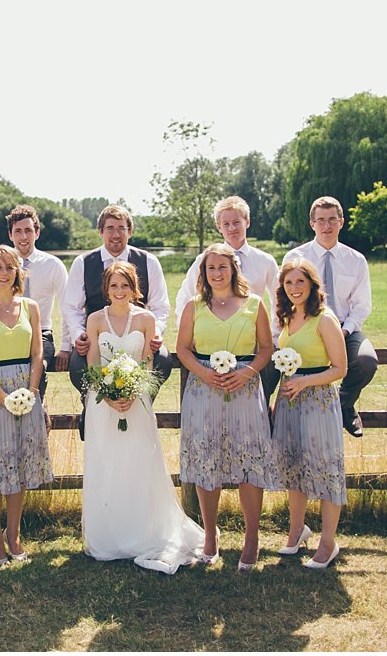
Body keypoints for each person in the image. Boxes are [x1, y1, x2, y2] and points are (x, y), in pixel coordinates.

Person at [82, 262, 206, 574]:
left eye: (125, 286)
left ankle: (142, 533)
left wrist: (133, 393)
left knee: (139, 464)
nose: (119, 292)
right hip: (103, 405)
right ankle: (108, 536)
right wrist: (109, 396)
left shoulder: (147, 319)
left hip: (137, 402)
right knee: (107, 464)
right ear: (106, 289)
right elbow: (93, 363)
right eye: (114, 286)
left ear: (134, 288)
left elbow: (149, 365)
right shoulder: (96, 319)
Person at [176, 243, 274, 572]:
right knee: (207, 461)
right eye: (210, 268)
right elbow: (183, 349)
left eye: (222, 267)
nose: (217, 273)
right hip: (204, 391)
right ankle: (210, 537)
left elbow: (265, 348)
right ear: (203, 274)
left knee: (248, 461)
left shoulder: (255, 305)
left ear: (233, 269)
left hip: (245, 391)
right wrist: (203, 373)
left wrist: (246, 374)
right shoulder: (194, 306)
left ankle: (251, 538)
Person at [0, 246, 54, 565]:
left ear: (19, 272)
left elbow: (37, 355)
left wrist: (31, 392)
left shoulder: (30, 307)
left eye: (10, 267)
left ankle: (13, 534)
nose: (4, 273)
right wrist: (2, 397)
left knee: (20, 465)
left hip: (26, 390)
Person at [57, 204, 173, 438]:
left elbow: (160, 305)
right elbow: (71, 307)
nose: (116, 234)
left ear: (130, 231)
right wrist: (81, 334)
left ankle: (137, 408)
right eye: (110, 228)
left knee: (163, 360)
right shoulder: (83, 262)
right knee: (79, 364)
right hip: (97, 337)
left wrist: (155, 333)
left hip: (137, 336)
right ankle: (93, 410)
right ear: (100, 231)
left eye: (122, 228)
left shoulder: (149, 261)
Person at [270, 258, 347, 569]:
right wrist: (281, 394)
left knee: (325, 470)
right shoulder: (289, 318)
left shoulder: (324, 319)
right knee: (293, 466)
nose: (294, 288)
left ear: (313, 285)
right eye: (289, 283)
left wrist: (305, 381)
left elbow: (340, 368)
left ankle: (328, 543)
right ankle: (297, 531)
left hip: (318, 400)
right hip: (290, 401)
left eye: (300, 281)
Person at [283, 196, 378, 437]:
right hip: (304, 329)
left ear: (341, 222)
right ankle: (269, 415)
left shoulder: (355, 260)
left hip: (345, 329)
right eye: (321, 220)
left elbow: (362, 305)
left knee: (367, 361)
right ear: (312, 223)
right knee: (272, 365)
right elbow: (284, 297)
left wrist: (344, 330)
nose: (327, 226)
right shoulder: (295, 257)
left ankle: (344, 405)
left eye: (332, 220)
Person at [174, 196, 280, 397]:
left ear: (247, 222)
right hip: (210, 344)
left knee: (258, 403)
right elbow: (185, 296)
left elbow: (278, 301)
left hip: (252, 347)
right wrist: (189, 333)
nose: (232, 228)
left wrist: (273, 336)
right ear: (219, 227)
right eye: (226, 224)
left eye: (237, 222)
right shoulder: (205, 259)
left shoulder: (265, 261)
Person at [6, 204, 68, 397]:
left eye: (28, 230)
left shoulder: (53, 265)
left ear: (37, 233)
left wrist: (66, 347)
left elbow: (68, 307)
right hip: (8, 333)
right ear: (10, 235)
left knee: (37, 366)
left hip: (41, 334)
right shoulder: (1, 266)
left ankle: (38, 411)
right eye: (18, 231)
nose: (23, 237)